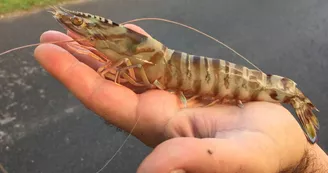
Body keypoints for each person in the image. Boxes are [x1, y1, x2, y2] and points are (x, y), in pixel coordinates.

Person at [34, 24, 328, 173]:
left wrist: (300, 159)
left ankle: (294, 99)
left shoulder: (143, 59)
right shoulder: (140, 55)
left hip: (240, 84)